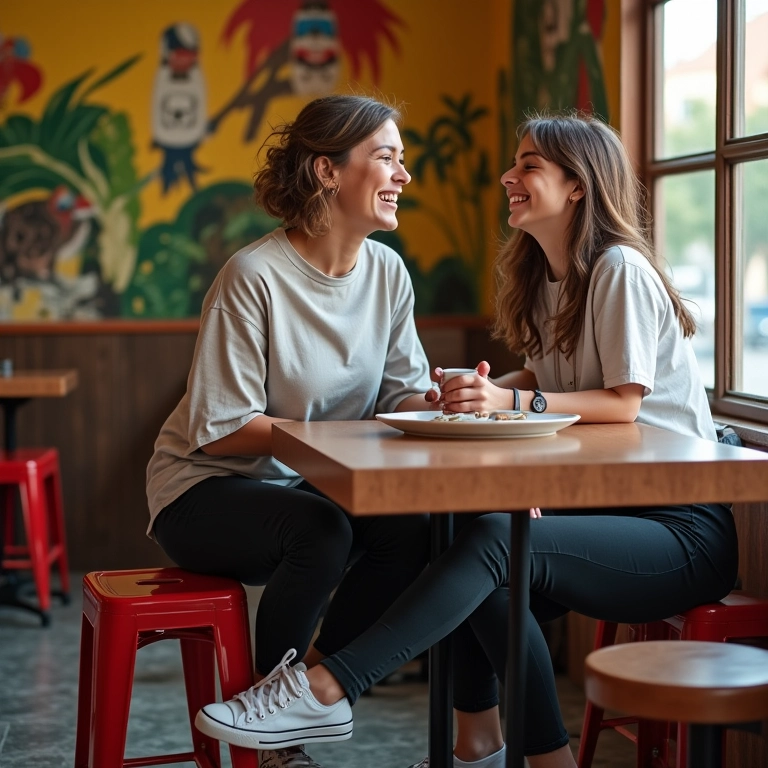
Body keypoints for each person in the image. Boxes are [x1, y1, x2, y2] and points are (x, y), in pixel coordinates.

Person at [194, 112, 738, 768]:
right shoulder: (547, 279)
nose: (509, 175)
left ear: (577, 187)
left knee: (489, 545)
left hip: (679, 529)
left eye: (529, 164)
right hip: (606, 513)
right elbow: (545, 377)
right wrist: (465, 392)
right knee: (464, 539)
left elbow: (623, 403)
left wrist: (506, 401)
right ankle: (486, 747)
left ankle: (327, 685)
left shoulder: (617, 268)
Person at [145, 94, 440, 768]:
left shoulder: (388, 275)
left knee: (413, 530)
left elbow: (400, 394)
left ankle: (307, 683)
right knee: (322, 529)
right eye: (386, 158)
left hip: (306, 484)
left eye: (402, 160)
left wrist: (444, 398)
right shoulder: (253, 277)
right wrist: (333, 443)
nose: (404, 175)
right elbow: (222, 430)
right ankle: (280, 744)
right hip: (202, 490)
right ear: (328, 172)